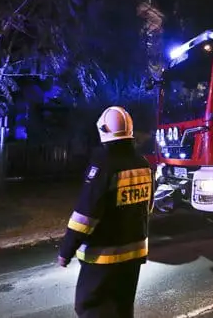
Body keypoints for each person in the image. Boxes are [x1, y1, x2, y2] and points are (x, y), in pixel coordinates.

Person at [58, 106, 154, 318]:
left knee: (91, 308)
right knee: (122, 310)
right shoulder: (144, 164)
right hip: (134, 256)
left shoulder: (103, 166)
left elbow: (85, 217)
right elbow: (148, 206)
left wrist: (66, 251)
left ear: (104, 130)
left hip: (102, 258)